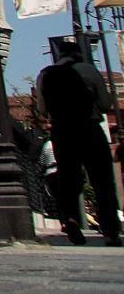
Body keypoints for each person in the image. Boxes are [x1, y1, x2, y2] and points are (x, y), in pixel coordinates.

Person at [38, 38, 121, 245]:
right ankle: (110, 231)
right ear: (79, 54)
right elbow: (104, 103)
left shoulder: (46, 74)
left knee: (69, 179)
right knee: (102, 181)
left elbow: (41, 109)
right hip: (88, 127)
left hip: (62, 131)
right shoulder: (88, 70)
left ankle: (71, 219)